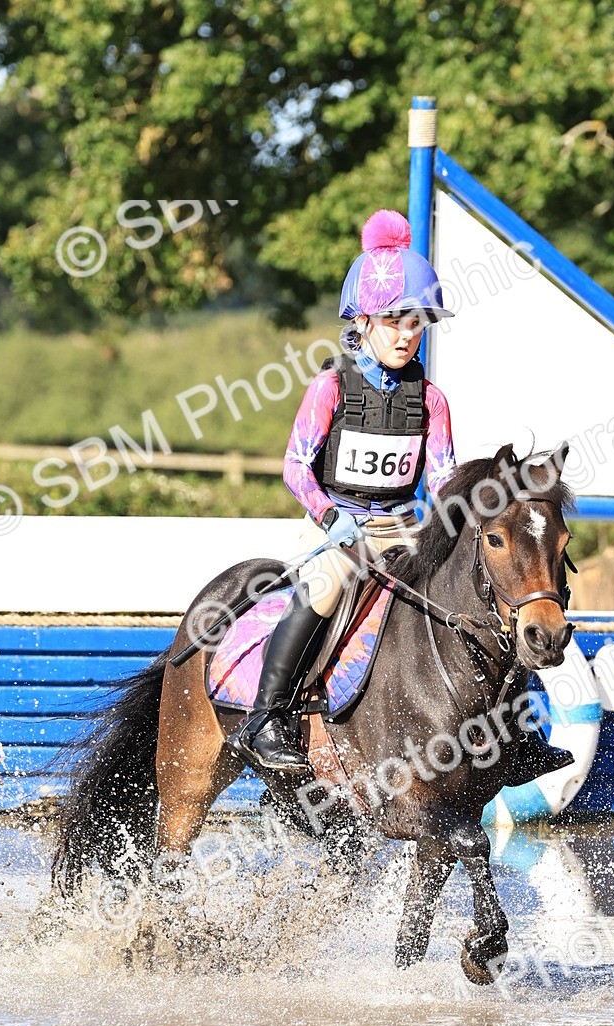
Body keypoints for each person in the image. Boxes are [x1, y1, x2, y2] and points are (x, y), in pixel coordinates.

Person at [229, 209, 571, 784]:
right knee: (325, 587)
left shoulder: (430, 399)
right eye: (393, 320)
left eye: (416, 321)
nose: (407, 332)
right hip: (334, 527)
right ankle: (266, 719)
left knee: (480, 590)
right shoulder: (331, 386)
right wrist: (332, 516)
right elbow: (294, 466)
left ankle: (517, 734)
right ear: (361, 321)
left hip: (400, 527)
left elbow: (440, 478)